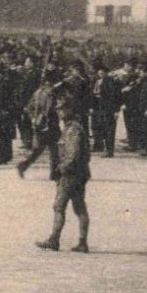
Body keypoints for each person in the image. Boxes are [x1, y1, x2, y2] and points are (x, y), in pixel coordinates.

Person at [37, 104, 91, 252]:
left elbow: (73, 152)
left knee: (59, 206)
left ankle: (54, 240)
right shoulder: (72, 127)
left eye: (62, 109)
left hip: (71, 174)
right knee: (79, 207)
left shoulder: (72, 129)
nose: (59, 111)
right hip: (80, 173)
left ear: (69, 110)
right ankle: (82, 242)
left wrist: (62, 168)